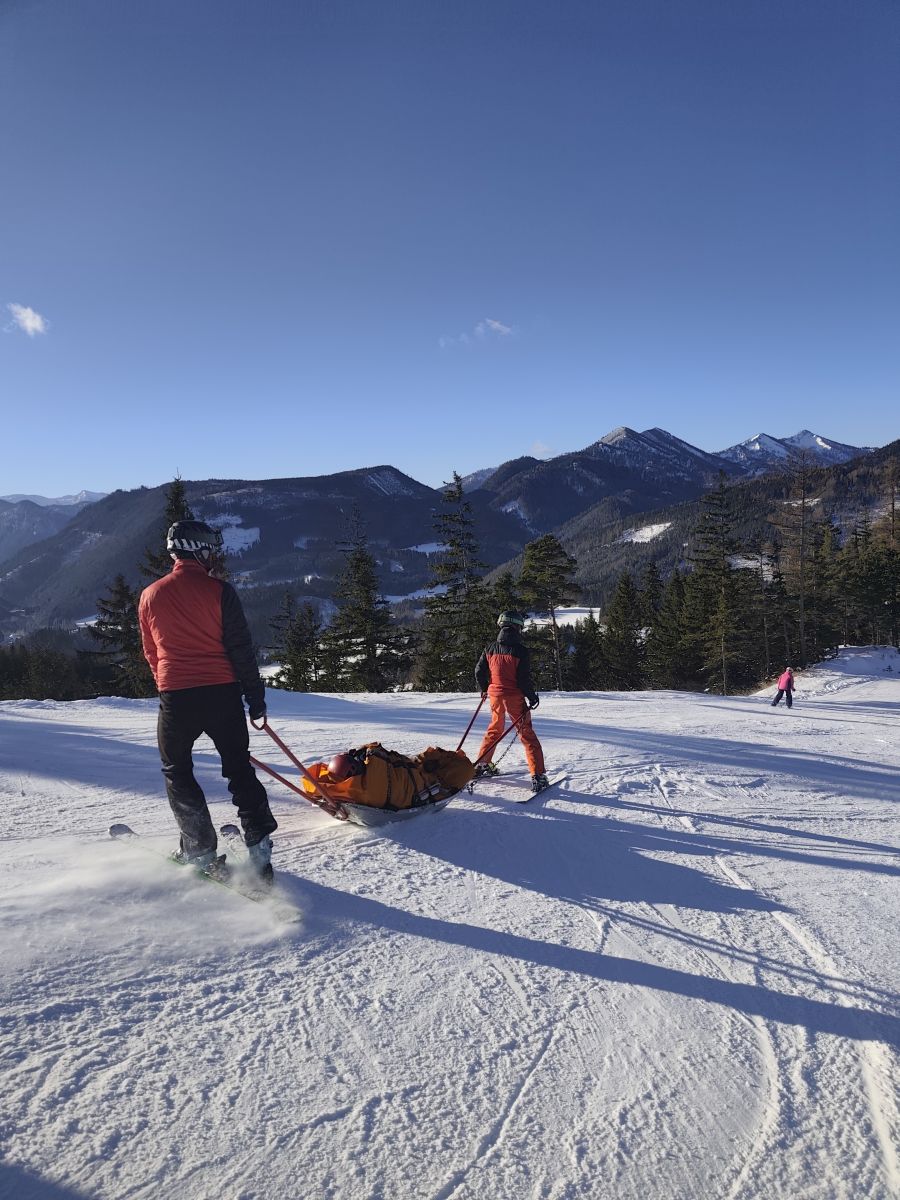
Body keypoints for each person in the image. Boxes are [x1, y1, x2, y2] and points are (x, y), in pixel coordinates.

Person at [138, 520, 277, 880]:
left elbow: (151, 652)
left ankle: (199, 850)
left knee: (177, 771)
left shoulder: (150, 595)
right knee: (239, 769)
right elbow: (240, 649)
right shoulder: (221, 591)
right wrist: (255, 697)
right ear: (197, 550)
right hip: (222, 694)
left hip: (177, 697)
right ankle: (259, 850)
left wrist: (167, 683)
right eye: (209, 549)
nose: (213, 555)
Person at [474, 611, 548, 793]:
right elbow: (523, 679)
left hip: (495, 696)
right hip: (513, 696)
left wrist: (484, 688)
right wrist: (532, 697)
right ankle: (538, 775)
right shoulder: (521, 651)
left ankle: (482, 764)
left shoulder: (490, 648)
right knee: (527, 734)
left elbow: (479, 671)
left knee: (494, 729)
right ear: (517, 627)